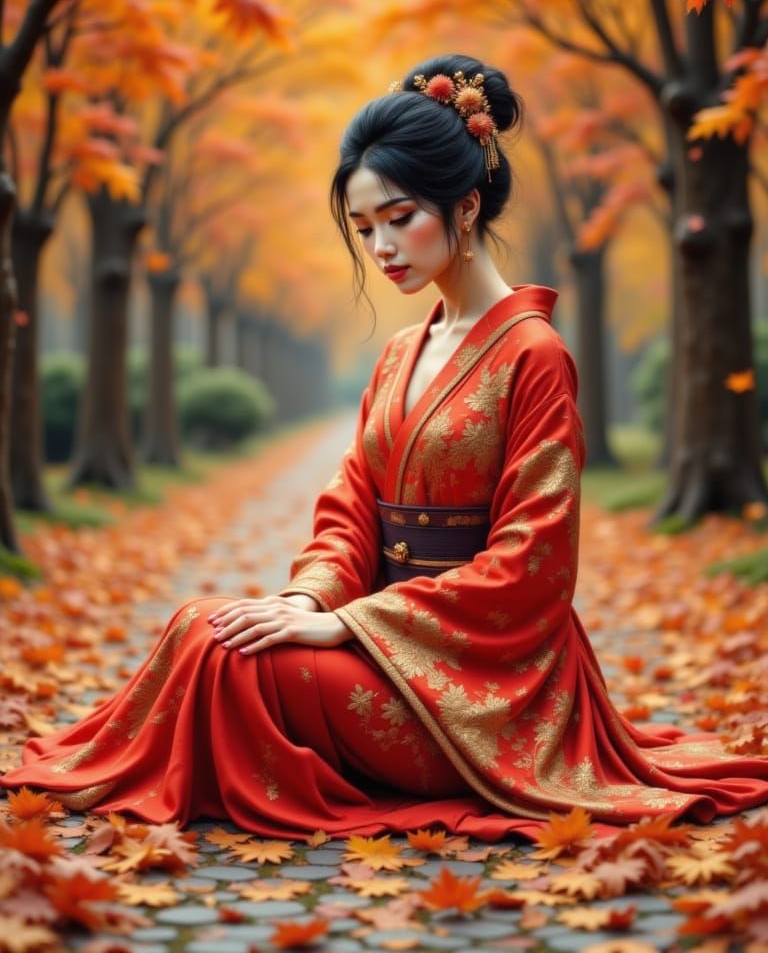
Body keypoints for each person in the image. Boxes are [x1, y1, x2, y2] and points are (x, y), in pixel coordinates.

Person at [2, 54, 767, 840]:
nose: (382, 246)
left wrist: (349, 626)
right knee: (204, 623)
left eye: (400, 218)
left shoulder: (535, 354)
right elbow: (350, 510)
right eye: (366, 228)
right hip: (387, 646)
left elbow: (534, 565)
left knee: (230, 656)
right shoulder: (402, 351)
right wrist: (306, 600)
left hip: (486, 688)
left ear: (465, 207)